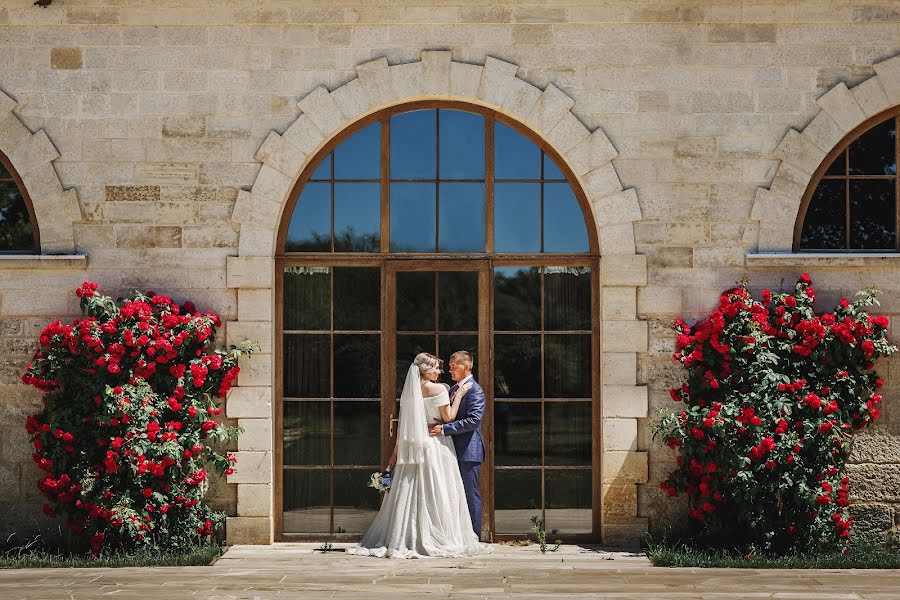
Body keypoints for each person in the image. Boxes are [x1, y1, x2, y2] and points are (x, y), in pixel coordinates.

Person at [347, 353, 488, 558]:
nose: (442, 371)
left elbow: (407, 425)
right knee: (440, 490)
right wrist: (456, 397)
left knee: (419, 490)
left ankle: (408, 535)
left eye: (449, 366)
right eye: (439, 368)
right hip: (437, 446)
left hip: (417, 446)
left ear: (466, 366)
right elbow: (448, 416)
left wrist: (395, 453)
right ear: (427, 370)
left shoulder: (410, 393)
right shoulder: (442, 389)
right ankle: (446, 535)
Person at [429, 350, 485, 539]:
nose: (450, 370)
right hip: (453, 450)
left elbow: (474, 420)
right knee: (456, 495)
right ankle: (460, 535)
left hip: (469, 450)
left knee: (470, 495)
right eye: (450, 366)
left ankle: (475, 537)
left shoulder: (474, 390)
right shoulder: (454, 389)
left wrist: (445, 429)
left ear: (467, 367)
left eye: (454, 366)